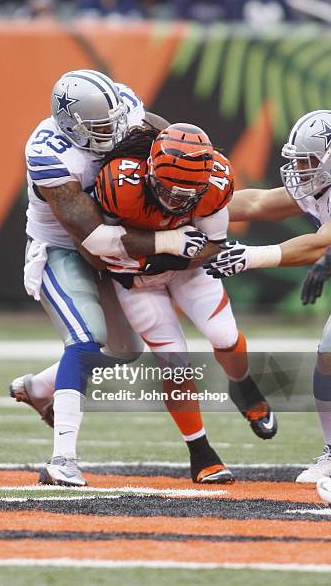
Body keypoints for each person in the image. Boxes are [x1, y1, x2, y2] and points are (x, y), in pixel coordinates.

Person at [11, 68, 204, 486]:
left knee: (124, 351)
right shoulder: (48, 153)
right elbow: (92, 237)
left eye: (116, 121)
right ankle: (62, 459)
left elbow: (159, 131)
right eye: (101, 128)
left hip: (118, 239)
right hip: (63, 249)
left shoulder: (125, 105)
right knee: (84, 340)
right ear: (71, 126)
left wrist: (181, 158)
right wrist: (169, 242)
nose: (114, 134)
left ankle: (37, 386)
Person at [88, 122, 277, 484]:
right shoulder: (119, 183)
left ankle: (244, 386)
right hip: (138, 281)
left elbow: (213, 245)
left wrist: (166, 253)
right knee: (175, 361)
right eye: (167, 190)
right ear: (148, 171)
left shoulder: (216, 183)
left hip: (186, 270)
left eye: (186, 194)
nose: (175, 200)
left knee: (224, 335)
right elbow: (99, 245)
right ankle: (200, 452)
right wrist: (168, 243)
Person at [204, 109, 331, 483]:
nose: (301, 169)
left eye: (308, 161)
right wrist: (191, 207)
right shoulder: (318, 185)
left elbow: (319, 244)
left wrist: (250, 257)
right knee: (327, 355)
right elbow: (256, 203)